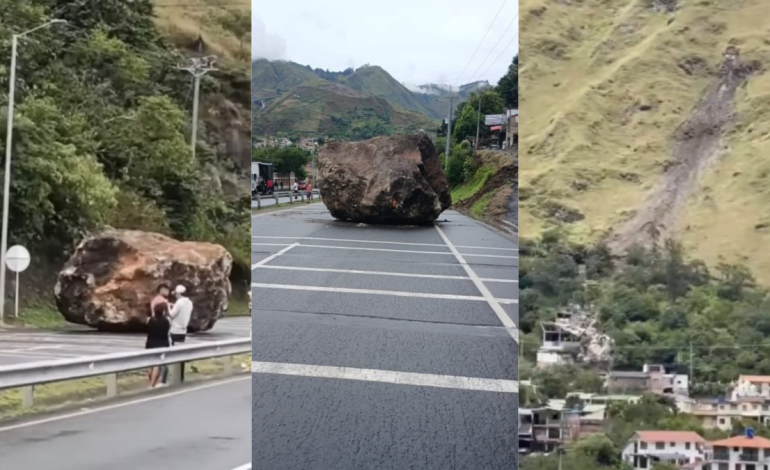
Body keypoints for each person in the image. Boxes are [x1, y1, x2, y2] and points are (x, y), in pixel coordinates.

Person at [145, 302, 170, 388]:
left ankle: (151, 380)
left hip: (150, 343)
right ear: (163, 311)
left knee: (151, 364)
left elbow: (148, 331)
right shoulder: (166, 321)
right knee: (156, 365)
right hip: (161, 344)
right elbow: (166, 332)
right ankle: (152, 384)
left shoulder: (150, 320)